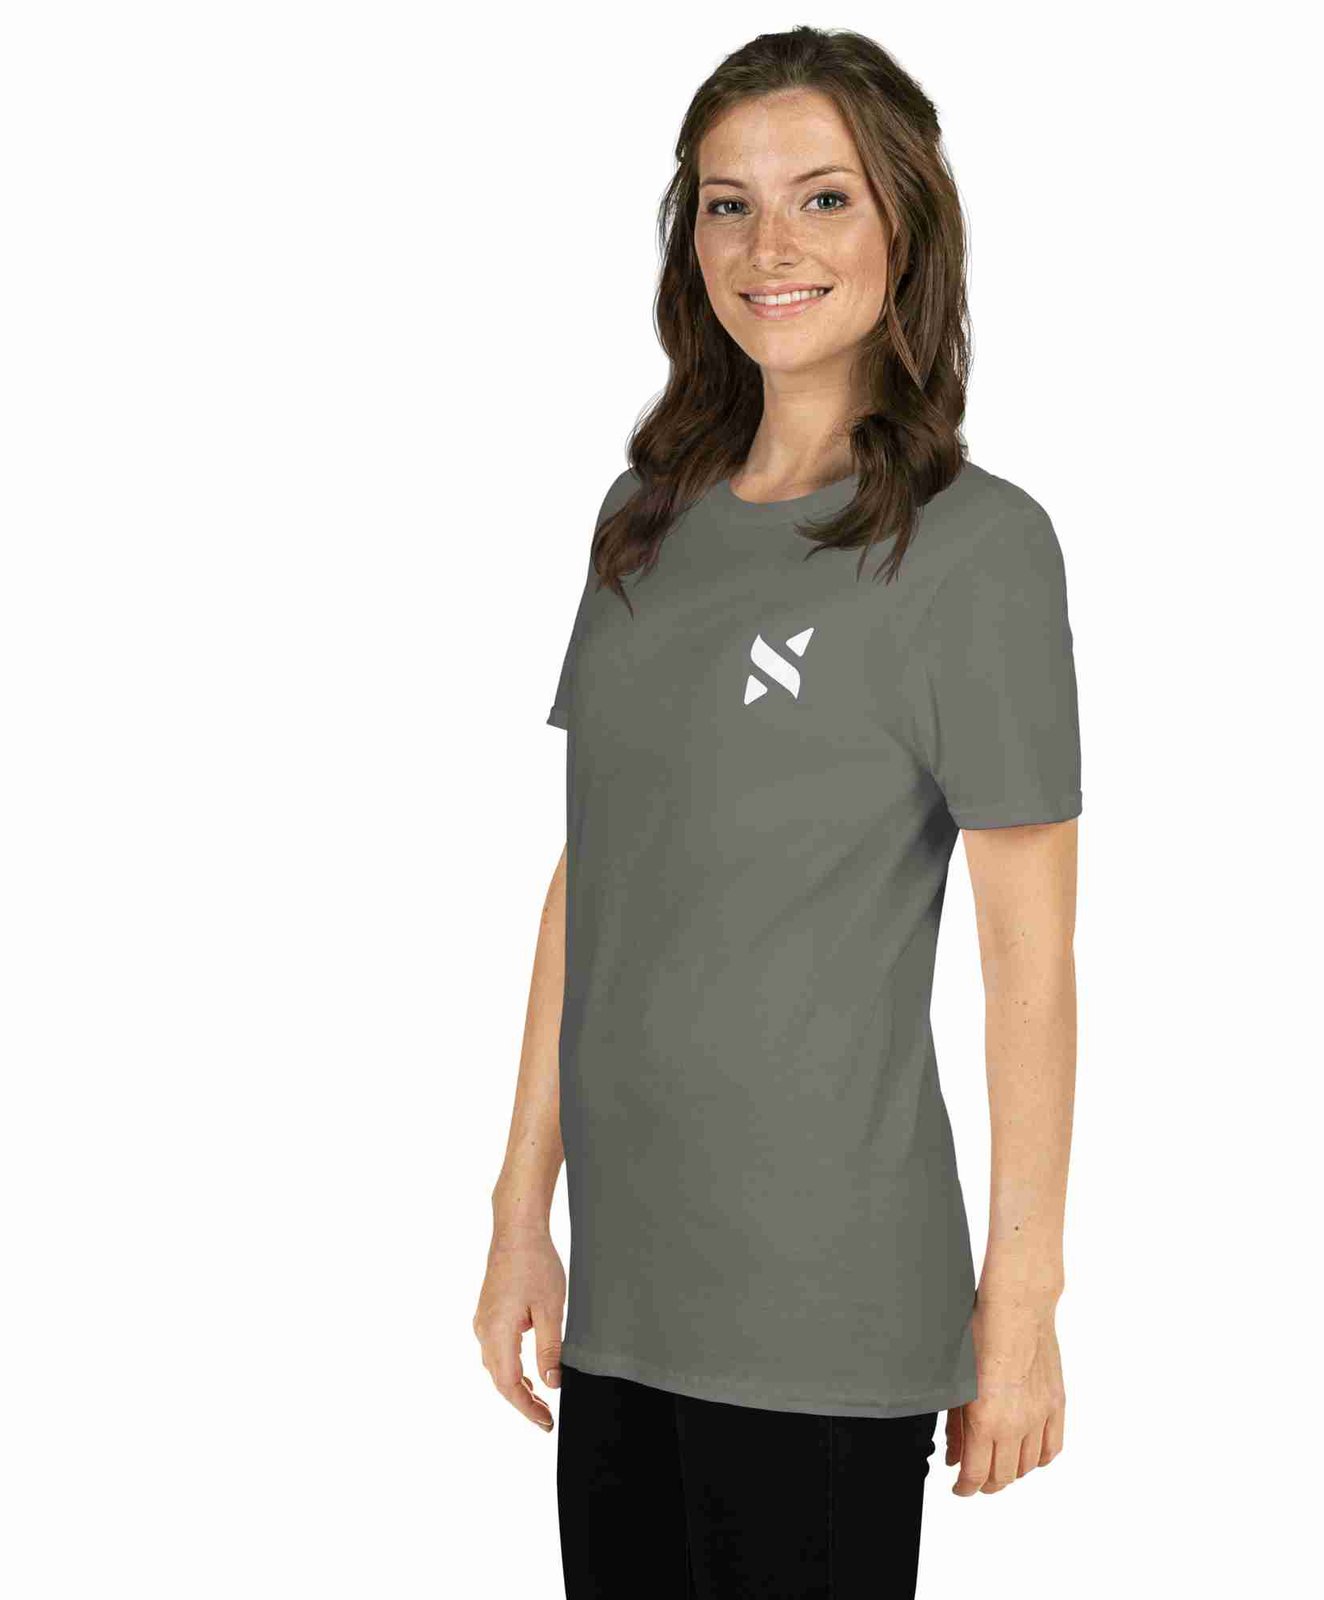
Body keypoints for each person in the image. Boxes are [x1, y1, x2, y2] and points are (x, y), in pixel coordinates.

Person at [474, 26, 1082, 1599]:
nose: (770, 248)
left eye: (823, 198)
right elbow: (594, 873)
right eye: (727, 204)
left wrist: (1020, 1306)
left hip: (825, 1307)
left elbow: (1029, 959)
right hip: (627, 1300)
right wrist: (520, 1206)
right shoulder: (641, 521)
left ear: (905, 224)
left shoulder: (975, 549)